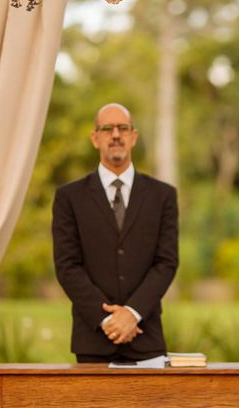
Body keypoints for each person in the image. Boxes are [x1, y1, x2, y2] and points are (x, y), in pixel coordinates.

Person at [52, 103, 178, 363]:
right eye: (107, 128)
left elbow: (166, 263)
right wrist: (108, 319)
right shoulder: (69, 197)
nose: (116, 135)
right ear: (95, 138)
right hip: (93, 339)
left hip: (146, 337)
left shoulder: (163, 196)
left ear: (134, 136)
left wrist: (132, 313)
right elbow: (67, 266)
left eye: (123, 128)